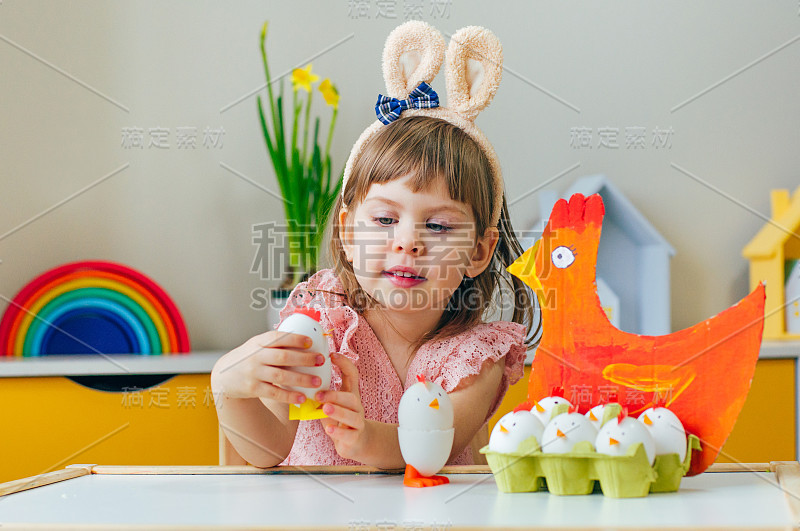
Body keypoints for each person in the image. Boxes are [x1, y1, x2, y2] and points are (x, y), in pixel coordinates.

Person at [211, 21, 539, 469]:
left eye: (439, 227)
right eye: (385, 219)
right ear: (348, 232)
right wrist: (227, 388)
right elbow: (268, 452)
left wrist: (366, 441)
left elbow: (435, 446)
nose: (407, 243)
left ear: (478, 252)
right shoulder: (320, 319)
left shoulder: (476, 358)